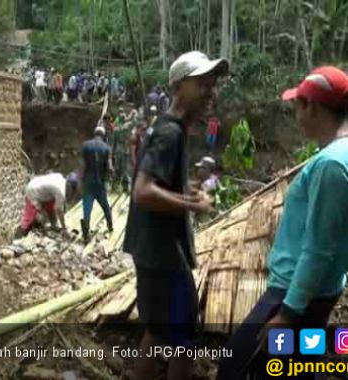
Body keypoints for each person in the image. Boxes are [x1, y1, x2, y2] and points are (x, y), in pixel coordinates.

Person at [217, 66, 348, 380]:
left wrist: (287, 313)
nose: (295, 114)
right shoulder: (340, 155)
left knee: (234, 367)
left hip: (293, 295)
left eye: (297, 105)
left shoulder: (330, 164)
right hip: (321, 292)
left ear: (312, 106)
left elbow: (319, 247)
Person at [122, 51, 228, 380]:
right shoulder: (170, 133)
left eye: (213, 84)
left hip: (154, 251)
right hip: (163, 255)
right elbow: (142, 191)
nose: (211, 91)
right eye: (203, 84)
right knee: (184, 342)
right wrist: (191, 204)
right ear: (179, 87)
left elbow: (152, 187)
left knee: (157, 332)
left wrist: (185, 194)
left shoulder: (172, 130)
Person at [15, 173, 78, 238]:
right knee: (29, 218)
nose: (71, 193)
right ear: (70, 187)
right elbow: (58, 209)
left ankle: (54, 224)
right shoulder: (61, 191)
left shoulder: (60, 178)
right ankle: (18, 237)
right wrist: (64, 228)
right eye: (73, 191)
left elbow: (55, 204)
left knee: (51, 205)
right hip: (33, 192)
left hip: (37, 186)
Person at [81, 126, 114, 242]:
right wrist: (110, 176)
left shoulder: (85, 145)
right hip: (100, 183)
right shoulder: (107, 148)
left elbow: (83, 165)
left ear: (94, 133)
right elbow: (110, 168)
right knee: (105, 206)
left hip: (88, 182)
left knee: (87, 208)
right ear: (103, 135)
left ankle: (85, 234)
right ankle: (110, 227)